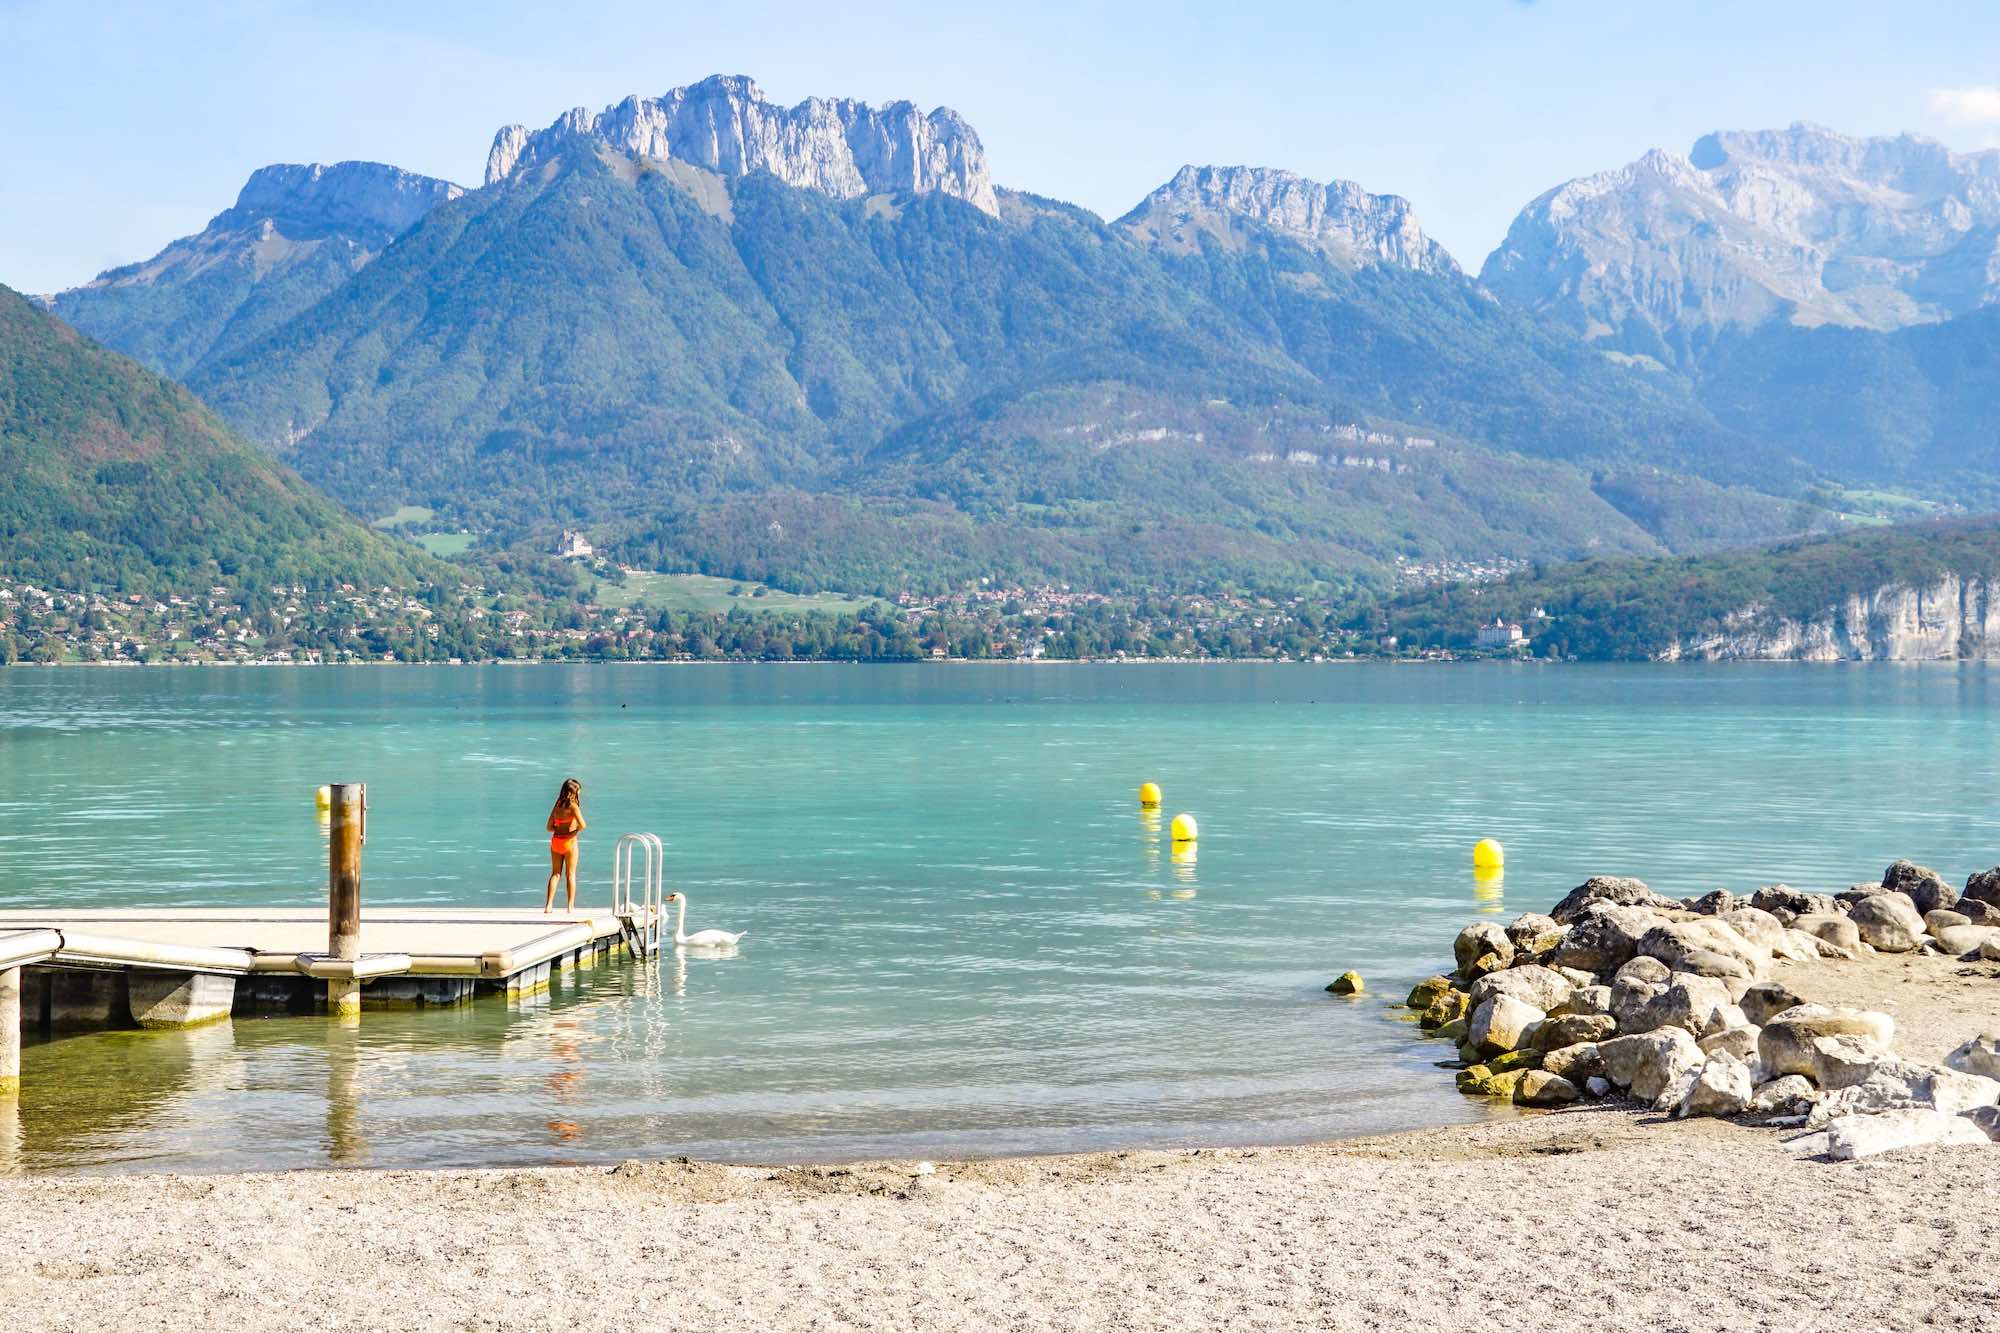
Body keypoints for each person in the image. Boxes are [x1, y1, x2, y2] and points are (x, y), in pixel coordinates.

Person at [544, 777, 586, 912]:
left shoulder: (557, 806)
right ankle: (570, 906)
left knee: (555, 874)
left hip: (556, 841)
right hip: (570, 842)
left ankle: (548, 905)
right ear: (573, 792)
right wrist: (574, 831)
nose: (580, 793)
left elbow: (549, 827)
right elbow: (583, 825)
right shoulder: (573, 806)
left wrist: (559, 828)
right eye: (579, 790)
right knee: (570, 874)